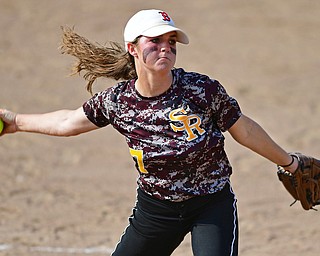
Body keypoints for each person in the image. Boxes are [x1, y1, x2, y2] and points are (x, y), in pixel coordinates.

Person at [0, 9, 299, 256]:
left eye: (171, 41)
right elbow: (68, 122)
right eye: (155, 41)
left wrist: (290, 163)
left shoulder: (200, 89)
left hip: (211, 205)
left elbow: (243, 128)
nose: (165, 47)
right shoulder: (118, 101)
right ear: (132, 47)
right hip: (156, 211)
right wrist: (14, 122)